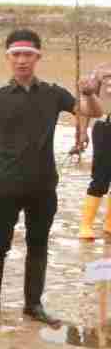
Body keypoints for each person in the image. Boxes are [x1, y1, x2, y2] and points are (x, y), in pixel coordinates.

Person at [0, 30, 101, 326]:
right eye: (16, 55)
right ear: (8, 58)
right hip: (6, 184)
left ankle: (33, 305)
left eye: (28, 55)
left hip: (44, 185)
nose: (22, 61)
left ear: (38, 57)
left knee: (38, 244)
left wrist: (89, 93)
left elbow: (92, 112)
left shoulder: (53, 93)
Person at [77, 57, 111, 239]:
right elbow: (88, 102)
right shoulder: (101, 69)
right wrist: (82, 132)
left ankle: (109, 224)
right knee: (100, 177)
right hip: (106, 127)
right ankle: (86, 225)